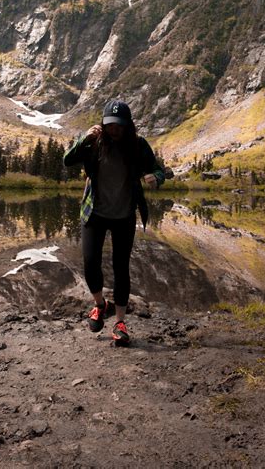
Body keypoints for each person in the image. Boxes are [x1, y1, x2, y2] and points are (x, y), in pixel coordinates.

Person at [64, 99, 165, 346]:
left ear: (127, 125)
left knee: (121, 268)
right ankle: (100, 304)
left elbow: (158, 169)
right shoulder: (94, 142)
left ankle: (120, 323)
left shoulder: (138, 146)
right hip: (94, 213)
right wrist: (83, 139)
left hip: (123, 215)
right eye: (110, 125)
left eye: (119, 126)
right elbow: (68, 160)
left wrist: (156, 177)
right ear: (103, 124)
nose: (114, 130)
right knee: (90, 263)